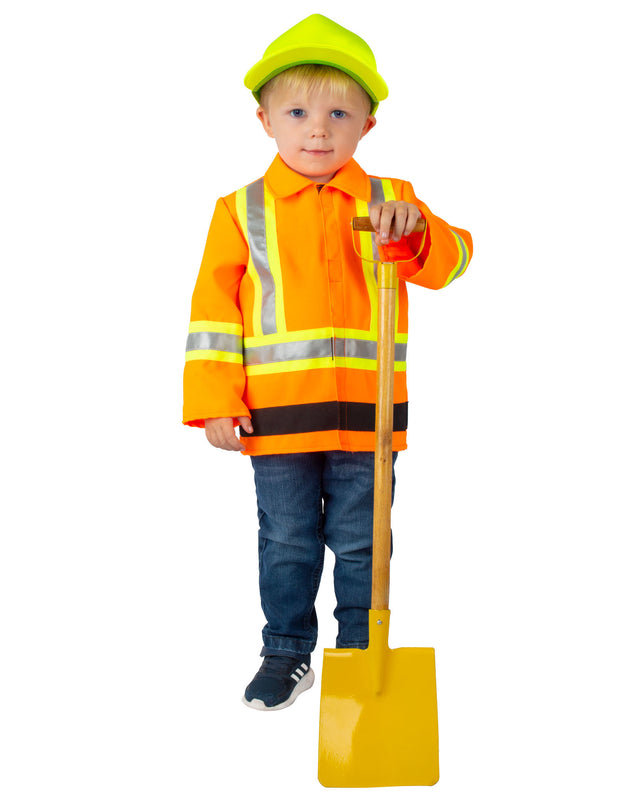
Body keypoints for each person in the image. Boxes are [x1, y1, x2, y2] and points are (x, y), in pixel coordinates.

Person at [183, 14, 473, 711]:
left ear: (366, 126)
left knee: (363, 543)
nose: (318, 130)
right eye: (298, 113)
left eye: (338, 114)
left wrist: (420, 231)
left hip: (369, 417)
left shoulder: (393, 201)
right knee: (287, 540)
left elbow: (453, 262)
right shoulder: (240, 210)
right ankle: (286, 651)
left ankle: (362, 654)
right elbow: (213, 311)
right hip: (276, 418)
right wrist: (215, 400)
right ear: (265, 122)